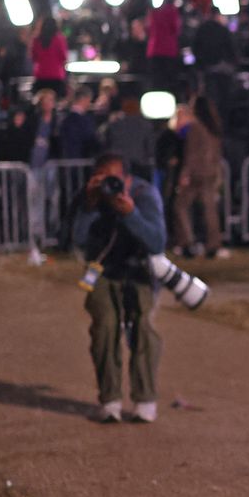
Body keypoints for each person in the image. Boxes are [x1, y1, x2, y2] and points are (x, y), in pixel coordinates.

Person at [71, 153, 167, 424]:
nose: (109, 185)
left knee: (143, 328)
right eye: (103, 179)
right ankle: (110, 400)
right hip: (102, 270)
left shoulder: (144, 194)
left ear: (126, 177)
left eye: (114, 179)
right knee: (105, 326)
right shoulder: (90, 197)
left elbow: (157, 242)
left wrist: (131, 213)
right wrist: (89, 207)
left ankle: (144, 400)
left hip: (138, 270)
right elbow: (76, 240)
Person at [168, 95, 227, 259]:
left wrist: (184, 174)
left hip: (195, 173)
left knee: (180, 206)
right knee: (209, 210)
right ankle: (213, 244)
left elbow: (191, 154)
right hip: (210, 173)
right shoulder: (213, 128)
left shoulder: (195, 128)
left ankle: (186, 243)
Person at [29, 17, 67, 97]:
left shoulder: (36, 39)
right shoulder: (59, 39)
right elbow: (63, 57)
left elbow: (33, 57)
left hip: (41, 75)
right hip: (56, 76)